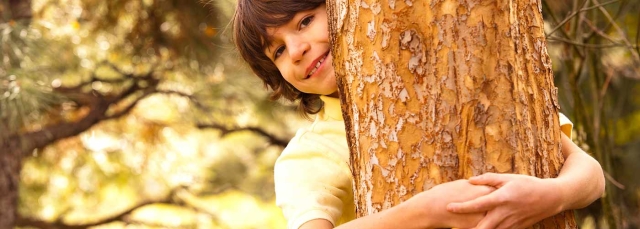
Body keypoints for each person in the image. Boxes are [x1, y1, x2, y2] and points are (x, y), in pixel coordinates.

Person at [232, 1, 606, 229]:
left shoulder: (456, 74)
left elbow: (591, 173)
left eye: (304, 21)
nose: (296, 50)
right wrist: (428, 211)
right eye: (277, 51)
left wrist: (554, 195)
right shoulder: (307, 155)